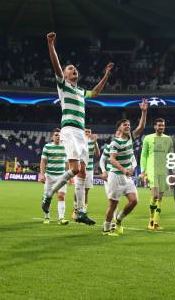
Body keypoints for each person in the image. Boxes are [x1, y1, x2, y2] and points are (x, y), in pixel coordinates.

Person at [41, 32, 114, 226]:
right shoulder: (63, 85)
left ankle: (80, 211)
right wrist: (51, 45)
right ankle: (49, 193)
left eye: (75, 68)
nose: (73, 70)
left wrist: (106, 74)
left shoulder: (81, 92)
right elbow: (56, 65)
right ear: (65, 75)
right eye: (70, 69)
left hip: (81, 133)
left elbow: (96, 92)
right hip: (69, 131)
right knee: (74, 169)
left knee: (81, 172)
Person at [103, 99, 148, 236]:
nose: (128, 126)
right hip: (116, 175)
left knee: (134, 201)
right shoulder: (115, 142)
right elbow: (112, 159)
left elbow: (140, 127)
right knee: (113, 204)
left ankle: (118, 219)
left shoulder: (130, 138)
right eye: (125, 125)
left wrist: (144, 111)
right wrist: (124, 170)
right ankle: (106, 228)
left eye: (128, 124)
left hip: (126, 177)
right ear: (119, 128)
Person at [140, 118, 174, 231]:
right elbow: (143, 155)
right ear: (155, 126)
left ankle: (155, 222)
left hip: (163, 171)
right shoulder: (148, 138)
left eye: (163, 125)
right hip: (151, 170)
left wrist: (173, 172)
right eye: (159, 125)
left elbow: (171, 157)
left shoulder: (168, 139)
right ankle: (150, 220)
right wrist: (143, 171)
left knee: (160, 198)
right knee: (154, 196)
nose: (161, 127)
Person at [39, 128, 69, 225]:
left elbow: (67, 162)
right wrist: (42, 174)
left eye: (59, 135)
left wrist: (70, 175)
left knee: (61, 196)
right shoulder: (47, 147)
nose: (58, 136)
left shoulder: (65, 147)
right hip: (50, 176)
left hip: (62, 176)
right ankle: (47, 216)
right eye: (56, 135)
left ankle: (61, 218)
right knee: (48, 197)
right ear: (52, 136)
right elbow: (43, 161)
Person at [72, 128, 100, 219]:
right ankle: (76, 209)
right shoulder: (78, 143)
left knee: (86, 191)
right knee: (78, 189)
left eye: (89, 132)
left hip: (89, 170)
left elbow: (98, 154)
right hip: (80, 169)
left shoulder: (92, 142)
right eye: (86, 131)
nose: (87, 133)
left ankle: (84, 209)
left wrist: (95, 142)